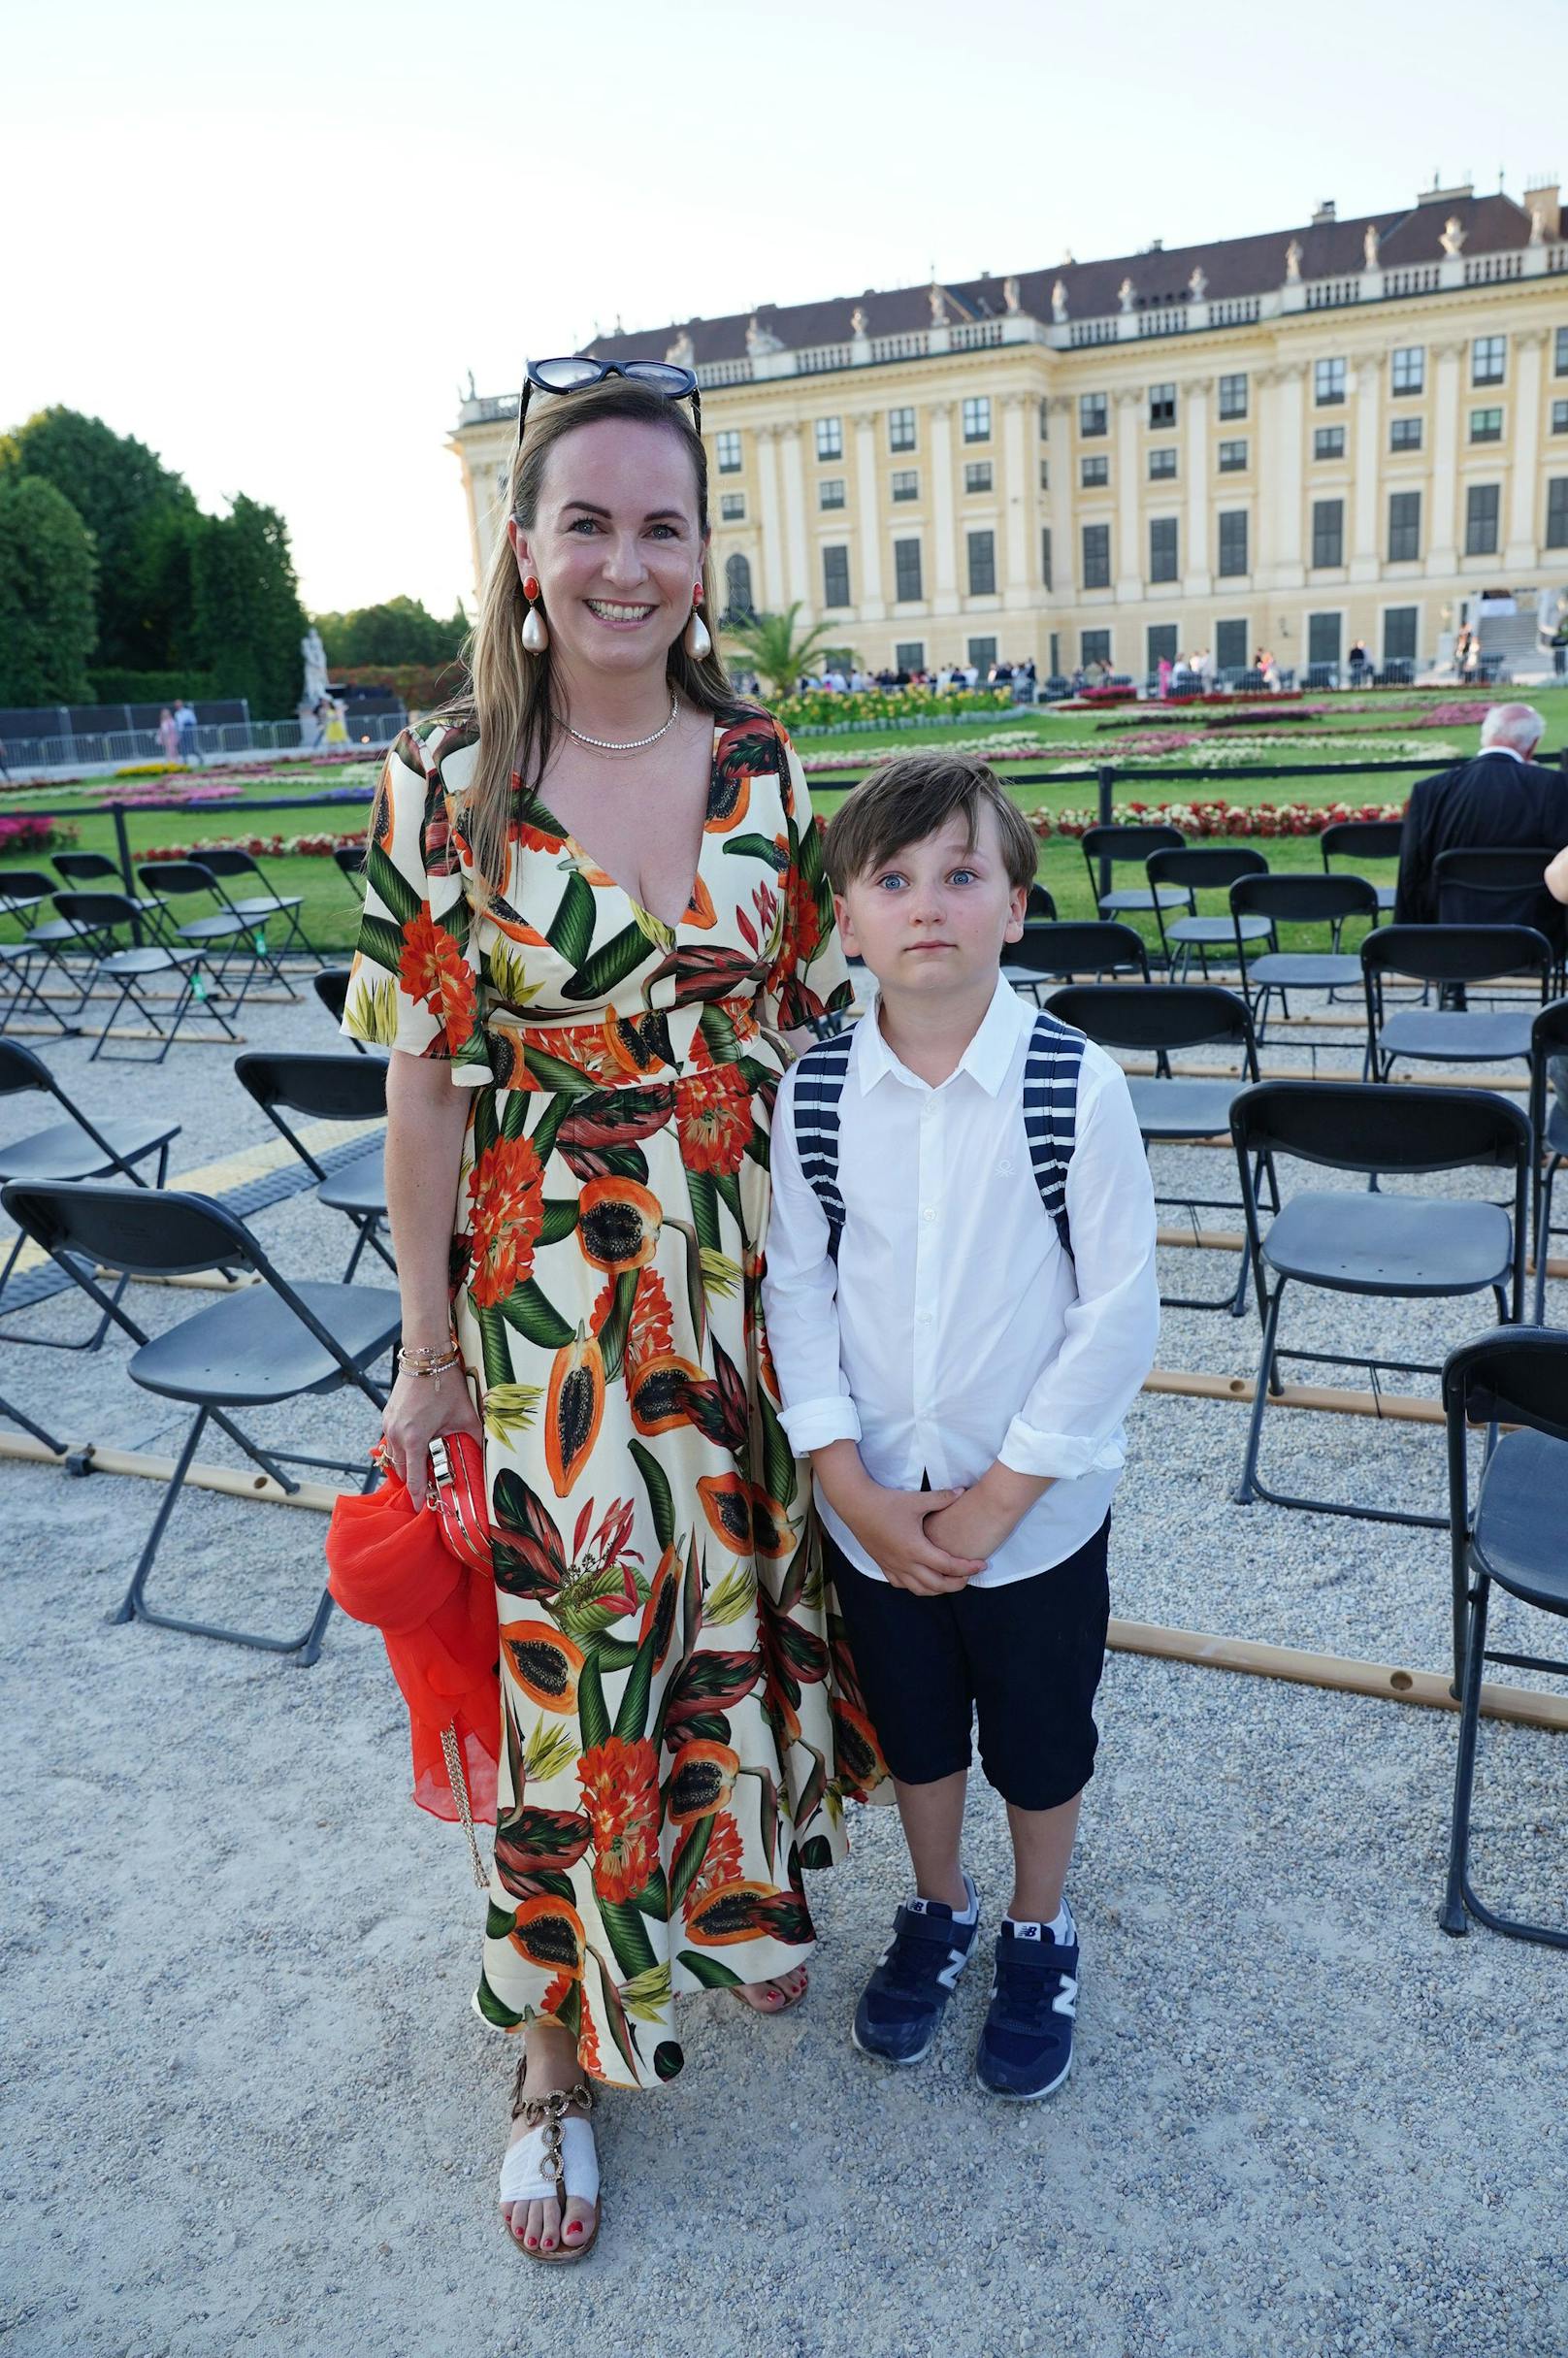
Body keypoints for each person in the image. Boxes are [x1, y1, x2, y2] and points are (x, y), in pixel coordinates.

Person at [340, 369, 871, 2264]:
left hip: (736, 1279)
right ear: (522, 545)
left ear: (706, 551)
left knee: (740, 1614)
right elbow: (418, 1082)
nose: (625, 563)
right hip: (547, 1306)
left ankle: (726, 1910)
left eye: (662, 525)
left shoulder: (765, 765)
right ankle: (552, 2060)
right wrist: (419, 1361)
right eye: (589, 522)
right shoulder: (445, 781)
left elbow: (805, 1043)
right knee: (574, 1666)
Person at [763, 752, 1160, 2101]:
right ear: (847, 919)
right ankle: (937, 1902)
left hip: (1033, 1515)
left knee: (1041, 1735)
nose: (927, 902)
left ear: (1015, 906)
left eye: (961, 872)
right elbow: (798, 1292)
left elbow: (1116, 1313)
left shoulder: (1072, 1085)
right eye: (893, 878)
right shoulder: (813, 1095)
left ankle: (1039, 1924)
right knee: (921, 1734)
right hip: (878, 1505)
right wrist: (849, 1484)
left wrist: (999, 1498)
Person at [1395, 703, 1568, 940]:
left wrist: (1410, 944)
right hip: (1536, 939)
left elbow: (1411, 875)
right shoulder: (1556, 787)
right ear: (1533, 745)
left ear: (1485, 736)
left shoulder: (1430, 791)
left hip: (1450, 937)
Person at [173, 698, 200, 767]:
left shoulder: (188, 712)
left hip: (188, 731)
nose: (177, 706)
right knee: (183, 747)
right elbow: (177, 724)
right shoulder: (177, 714)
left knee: (191, 747)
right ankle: (185, 761)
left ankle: (200, 758)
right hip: (181, 732)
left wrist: (186, 724)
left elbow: (194, 721)